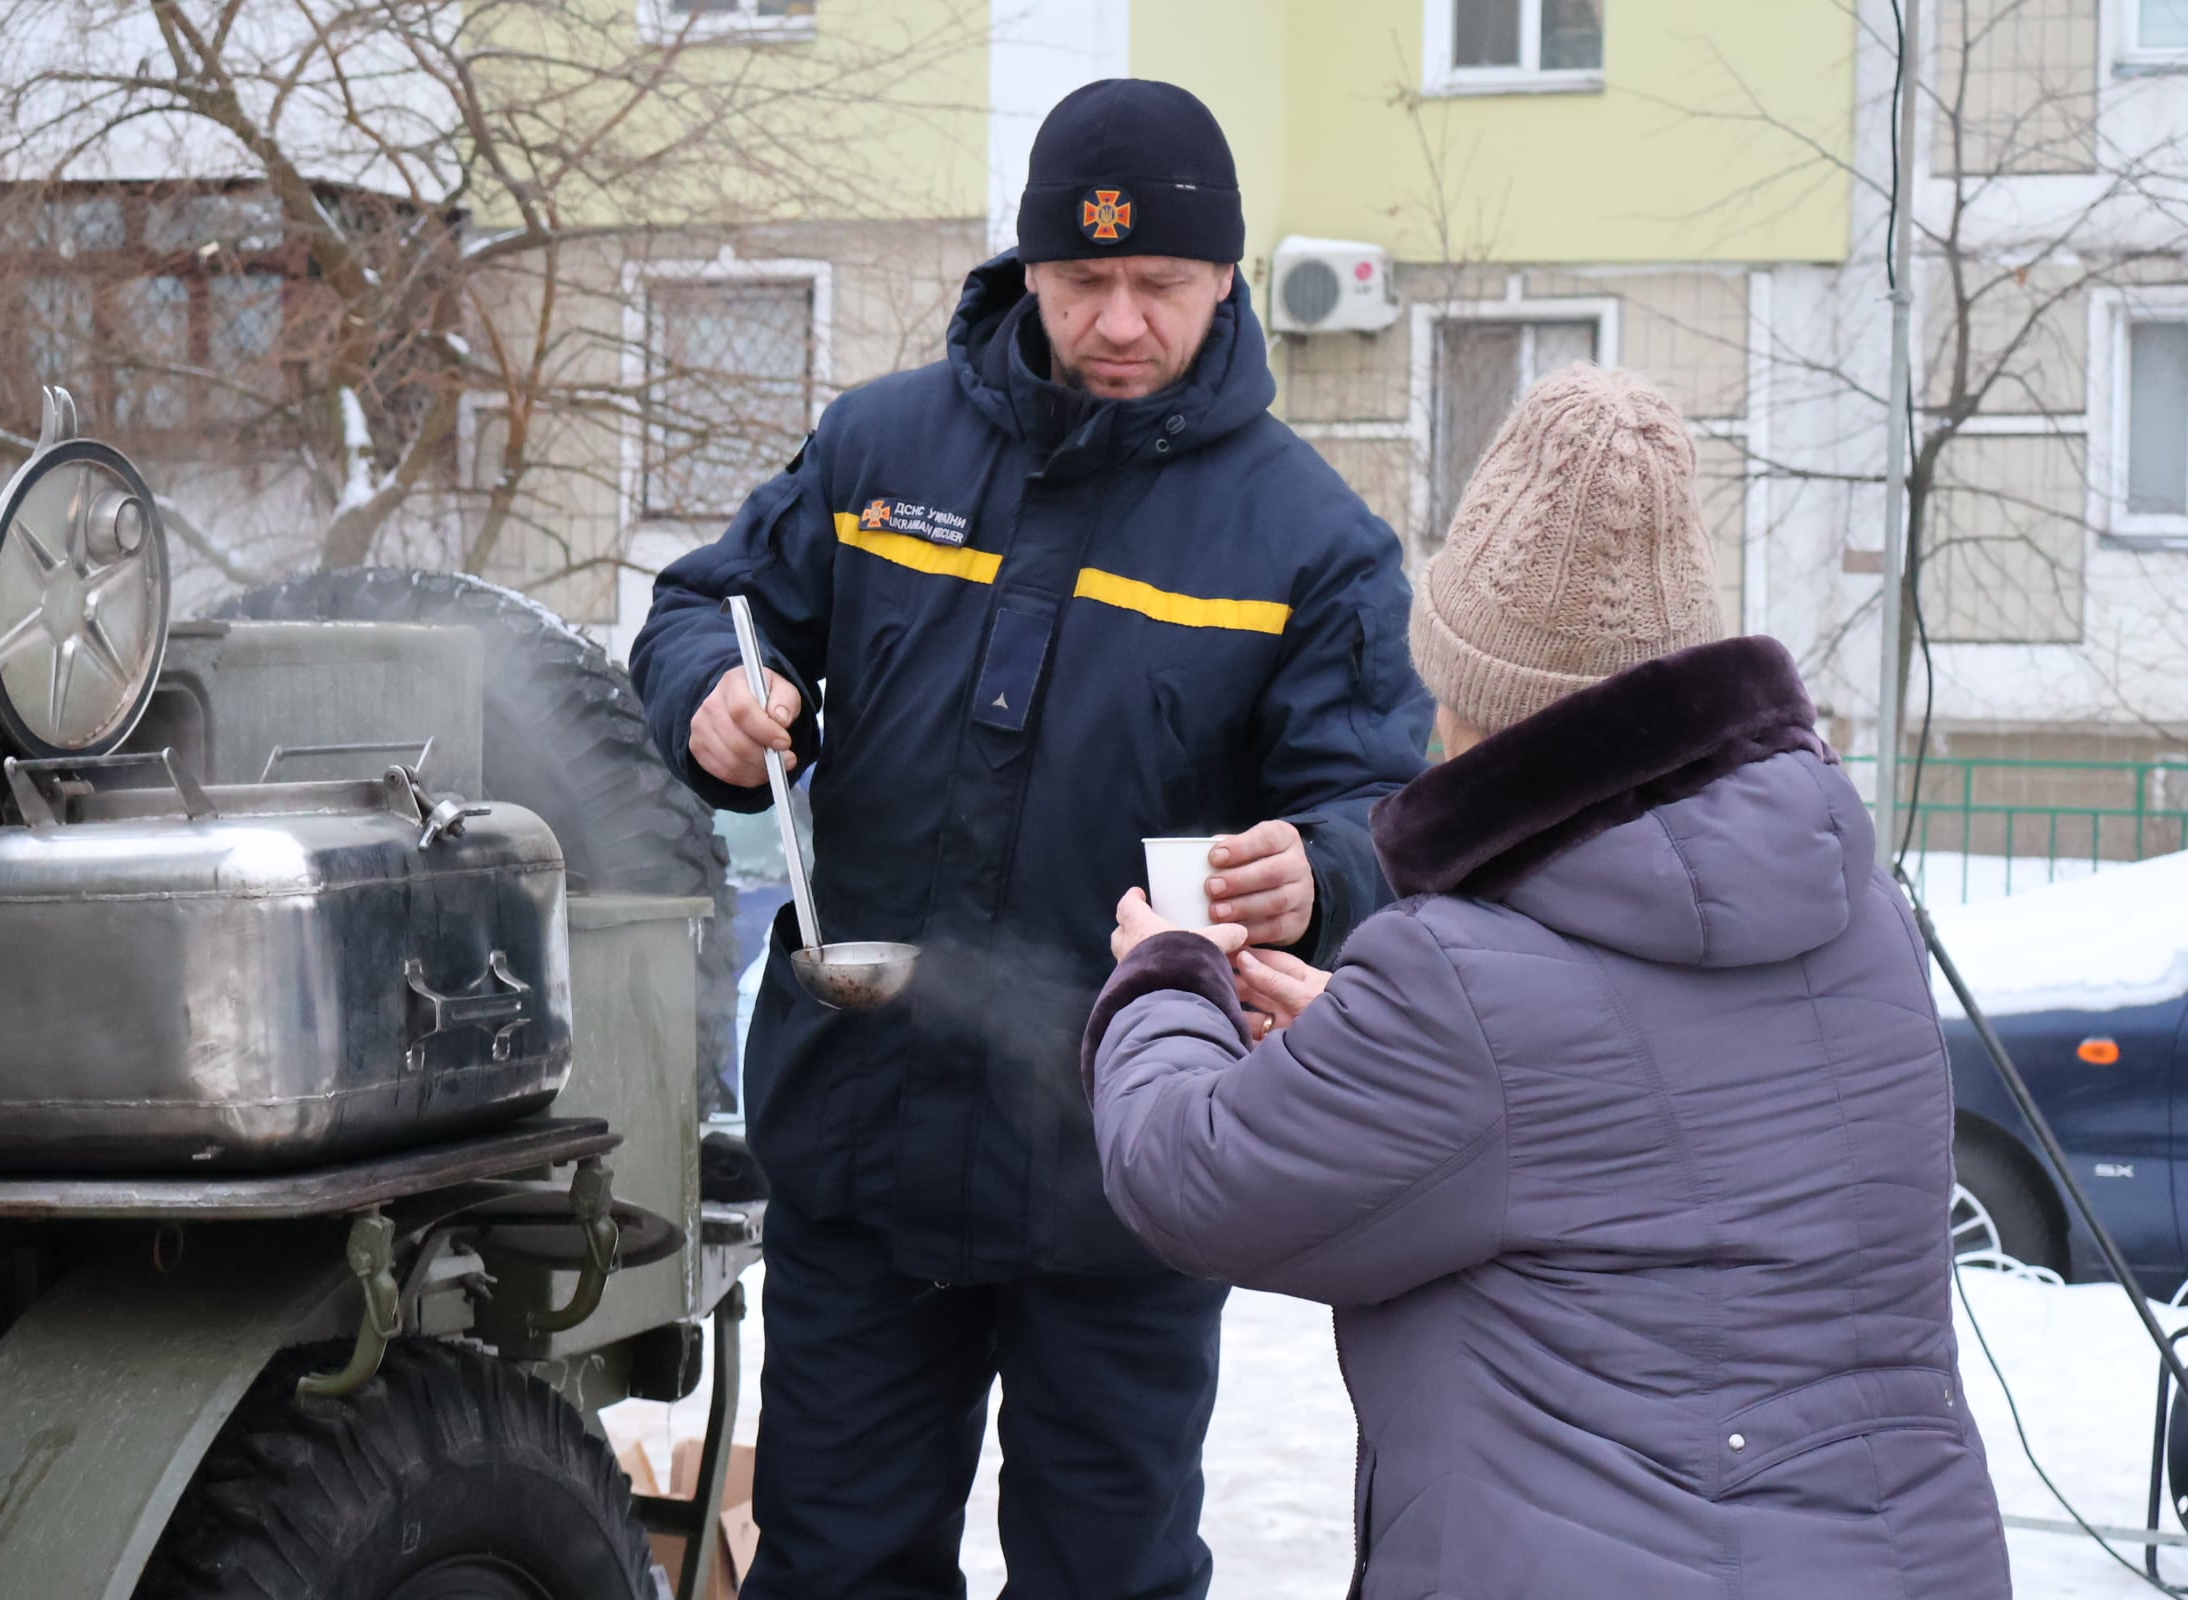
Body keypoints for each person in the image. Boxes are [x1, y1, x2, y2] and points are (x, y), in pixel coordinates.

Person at [630, 77, 1432, 1598]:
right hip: (861, 1145)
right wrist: (714, 706)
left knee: (1107, 1578)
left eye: (1160, 286)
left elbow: (1384, 810)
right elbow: (701, 610)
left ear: (1225, 282)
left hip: (1126, 1175)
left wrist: (1317, 869)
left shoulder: (1310, 539)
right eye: (1083, 282)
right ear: (1028, 271)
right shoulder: (880, 452)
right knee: (835, 1568)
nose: (1119, 321)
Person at [1085, 365, 2010, 1599]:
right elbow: (1609, 1120)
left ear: (1474, 700)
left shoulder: (1460, 982)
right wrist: (1362, 1041)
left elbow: (1194, 1179)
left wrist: (1167, 978)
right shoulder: (1857, 910)